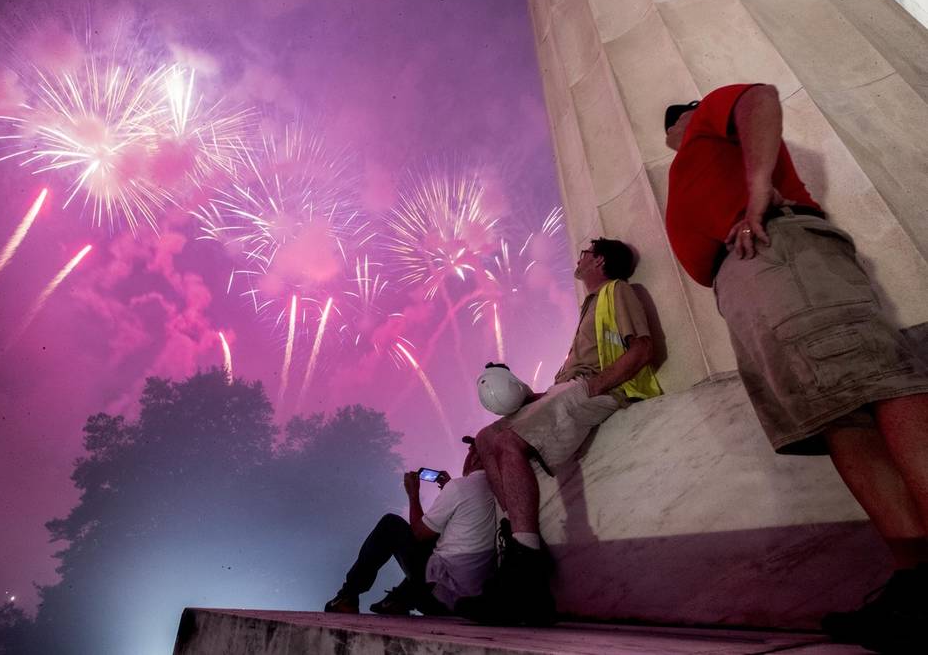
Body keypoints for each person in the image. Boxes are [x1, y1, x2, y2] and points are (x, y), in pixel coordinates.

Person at [663, 83, 928, 653]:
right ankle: (918, 584)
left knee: (883, 387)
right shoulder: (691, 163)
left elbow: (759, 97)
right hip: (753, 280)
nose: (669, 137)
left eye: (672, 124)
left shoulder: (710, 120)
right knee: (843, 418)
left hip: (778, 251)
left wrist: (758, 197)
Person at [457, 238, 661, 625]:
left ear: (599, 261)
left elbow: (642, 350)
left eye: (586, 252)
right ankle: (517, 546)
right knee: (487, 439)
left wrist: (594, 387)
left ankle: (526, 568)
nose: (579, 257)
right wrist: (531, 396)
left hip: (596, 389)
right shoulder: (591, 305)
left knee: (511, 441)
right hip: (567, 389)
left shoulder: (618, 292)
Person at [324, 437, 497, 616]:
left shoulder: (461, 487)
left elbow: (420, 534)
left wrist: (413, 494)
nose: (467, 458)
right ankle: (398, 600)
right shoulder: (497, 488)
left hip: (442, 597)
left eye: (470, 452)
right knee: (440, 538)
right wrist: (449, 488)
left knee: (390, 525)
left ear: (476, 458)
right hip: (473, 597)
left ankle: (348, 596)